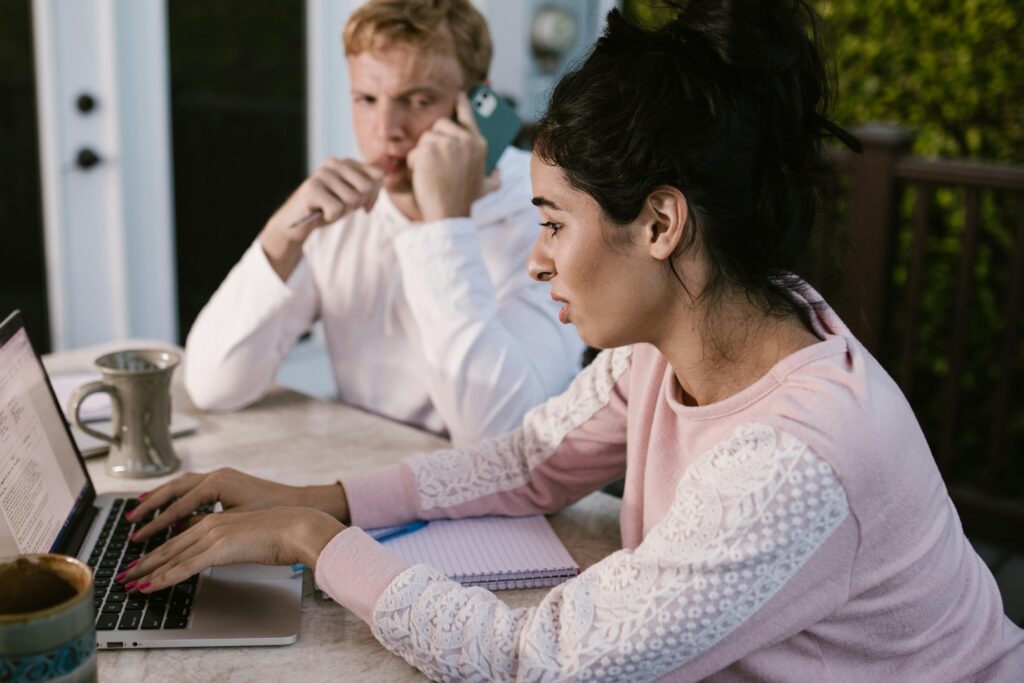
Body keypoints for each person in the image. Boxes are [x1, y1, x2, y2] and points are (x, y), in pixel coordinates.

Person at [121, 1, 1024, 679]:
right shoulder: (682, 339)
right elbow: (525, 461)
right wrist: (307, 492)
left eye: (553, 224)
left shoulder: (795, 457)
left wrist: (317, 540)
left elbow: (542, 660)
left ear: (662, 223)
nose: (538, 260)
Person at [182, 0, 584, 445]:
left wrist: (444, 224)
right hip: (367, 474)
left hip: (501, 497)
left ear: (478, 102)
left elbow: (500, 437)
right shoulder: (342, 210)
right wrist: (280, 237)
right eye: (367, 99)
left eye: (417, 100)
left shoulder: (548, 215)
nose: (385, 129)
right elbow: (212, 385)